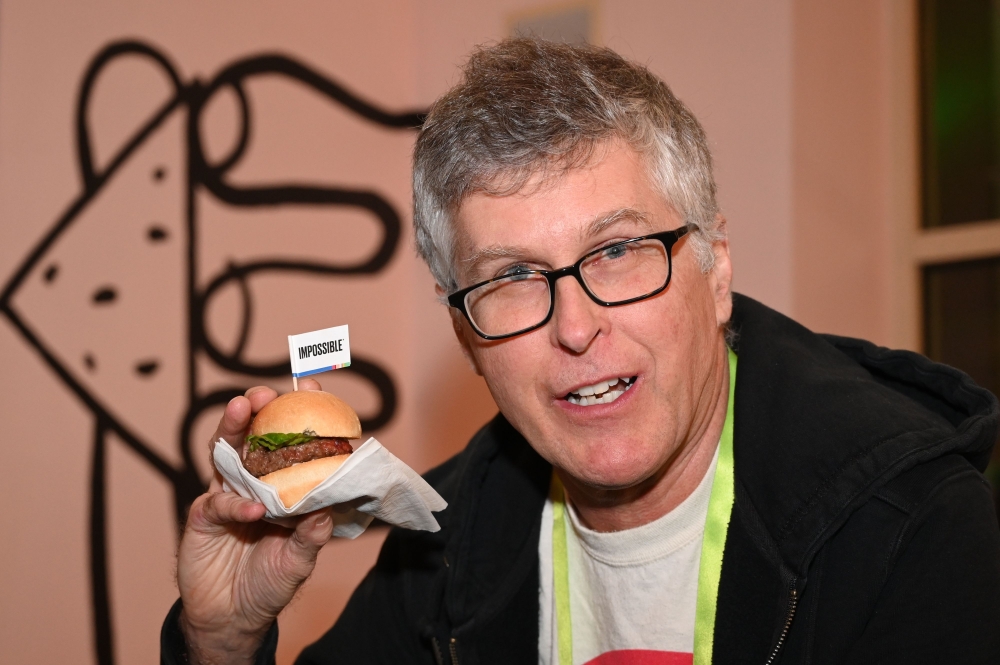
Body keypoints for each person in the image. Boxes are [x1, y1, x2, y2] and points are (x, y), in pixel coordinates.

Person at [162, 39, 1000, 664]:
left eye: (616, 252)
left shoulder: (911, 531)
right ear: (468, 338)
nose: (574, 325)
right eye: (514, 277)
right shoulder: (444, 548)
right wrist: (221, 636)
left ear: (714, 269)